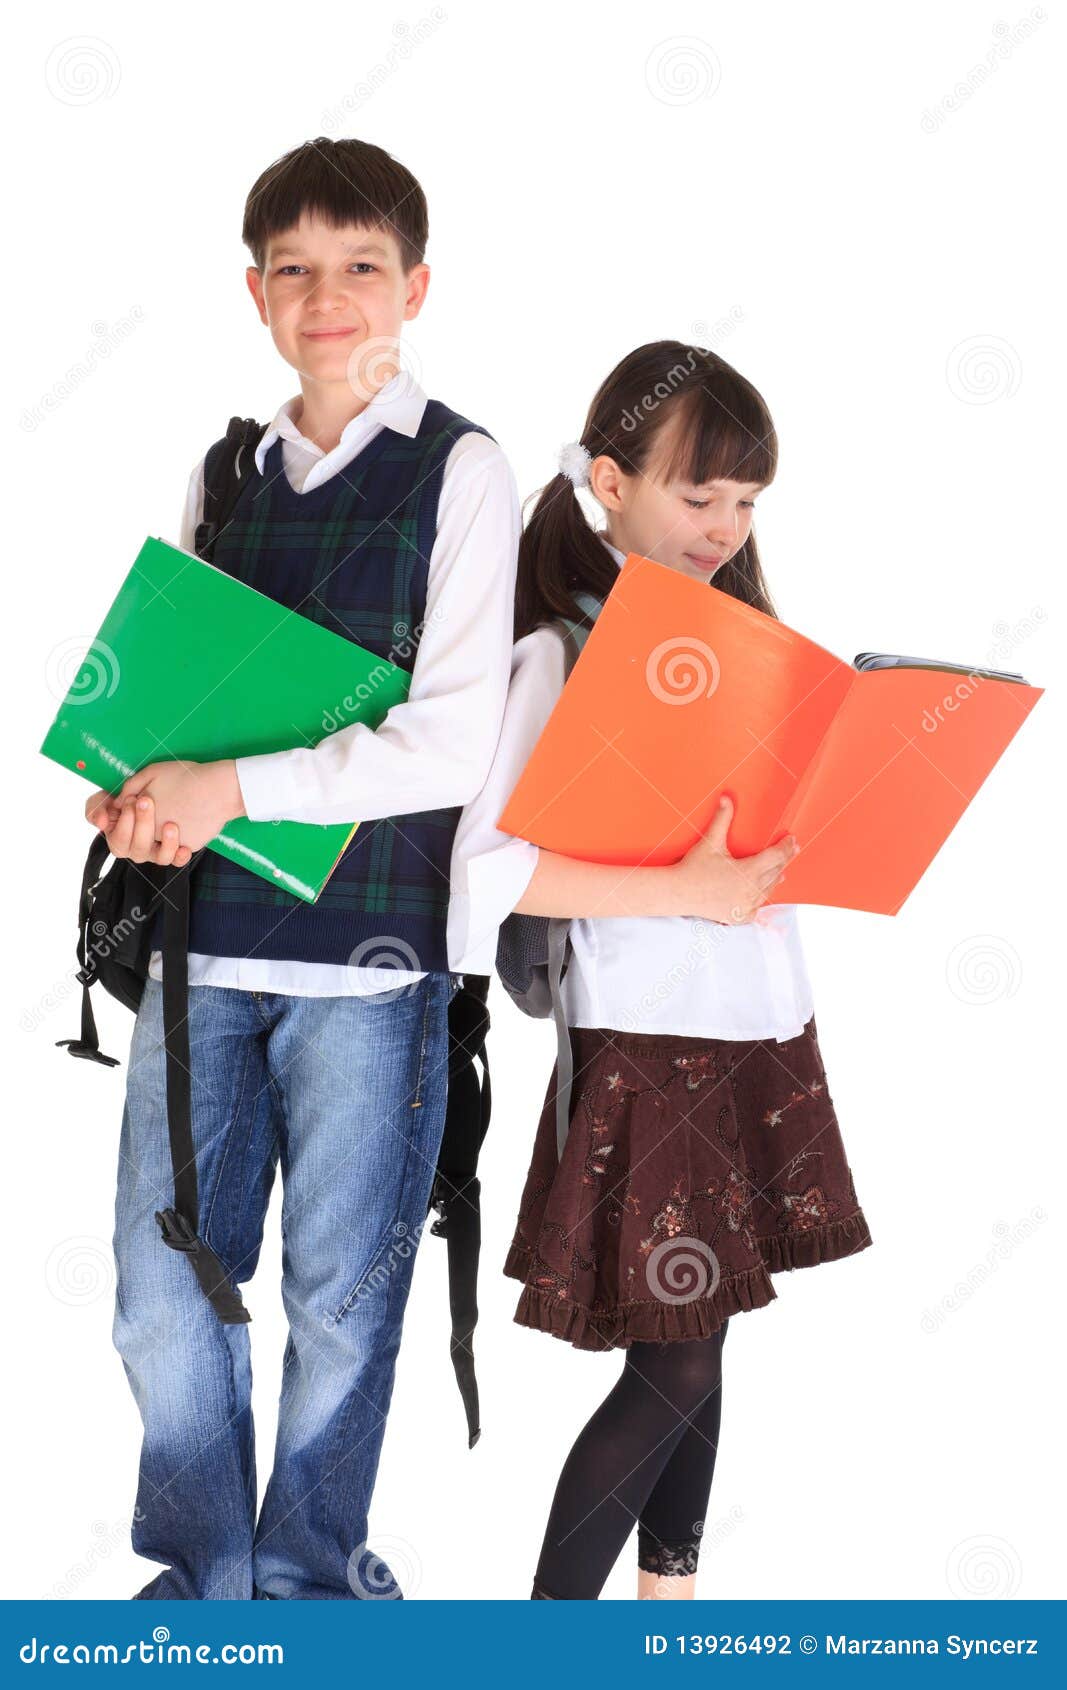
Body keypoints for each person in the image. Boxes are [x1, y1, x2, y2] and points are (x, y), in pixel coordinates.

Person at [83, 136, 521, 1600]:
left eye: (360, 268)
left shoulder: (459, 468)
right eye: (293, 270)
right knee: (162, 1293)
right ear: (255, 293)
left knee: (342, 1294)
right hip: (202, 948)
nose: (325, 297)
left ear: (415, 286)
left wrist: (226, 783)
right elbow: (186, 715)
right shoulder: (222, 468)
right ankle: (207, 1574)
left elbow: (451, 741)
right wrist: (147, 797)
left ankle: (310, 1578)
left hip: (371, 963)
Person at [450, 341, 873, 1600]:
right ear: (608, 481)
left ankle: (668, 1612)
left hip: (759, 1021)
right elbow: (486, 878)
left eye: (746, 503)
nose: (724, 527)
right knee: (675, 1362)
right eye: (699, 497)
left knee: (711, 1334)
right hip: (643, 1040)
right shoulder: (558, 653)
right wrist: (690, 890)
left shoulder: (746, 642)